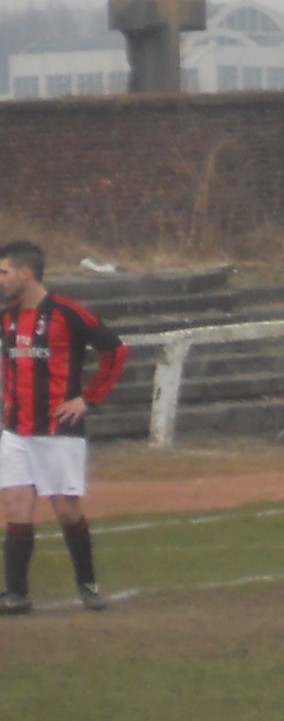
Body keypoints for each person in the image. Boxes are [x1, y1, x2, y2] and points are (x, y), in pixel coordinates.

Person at [0, 240, 127, 614]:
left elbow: (115, 350)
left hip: (58, 432)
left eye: (3, 272)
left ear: (25, 273)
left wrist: (88, 399)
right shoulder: (6, 317)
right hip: (15, 429)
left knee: (66, 510)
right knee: (16, 505)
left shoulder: (68, 313)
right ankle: (16, 594)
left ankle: (88, 585)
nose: (0, 279)